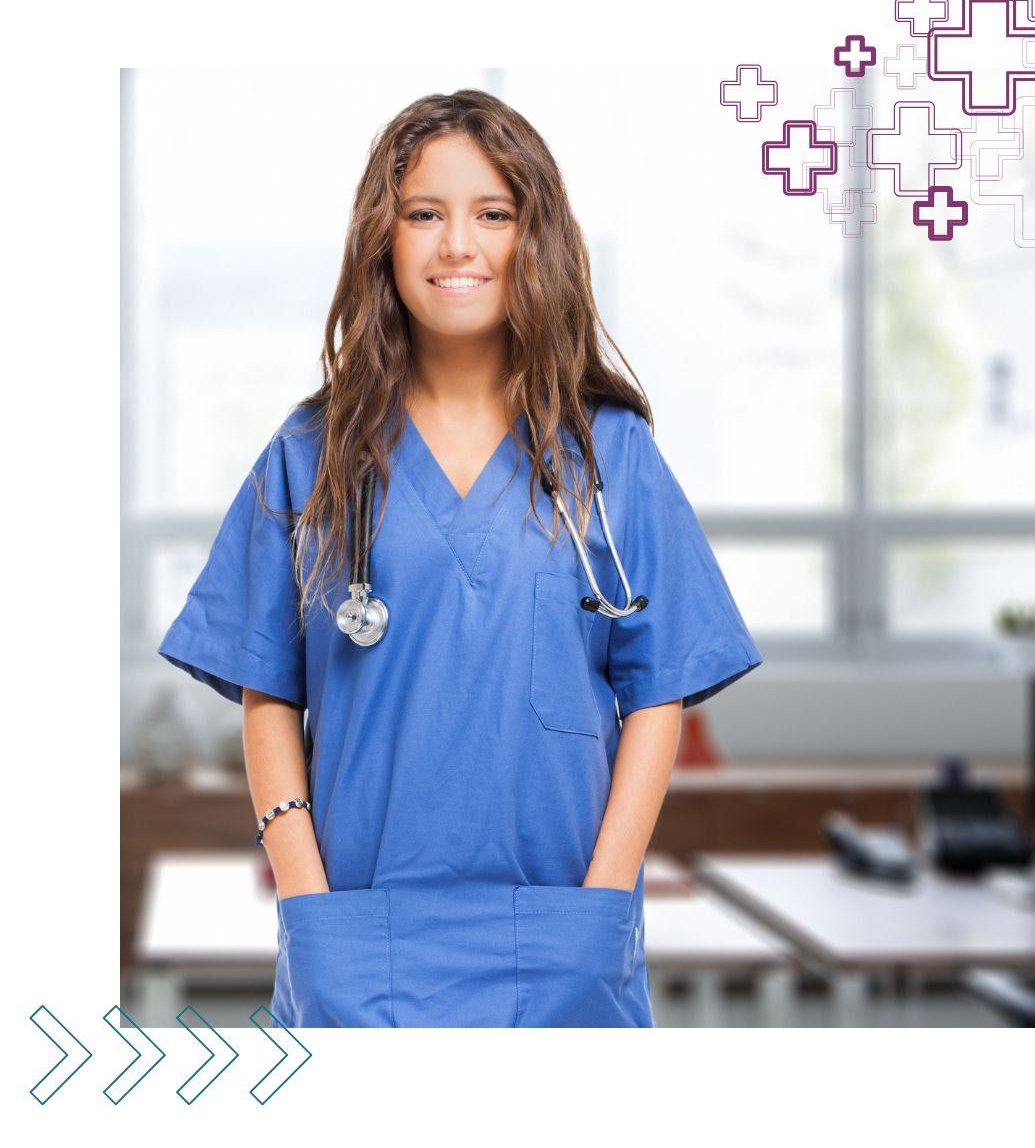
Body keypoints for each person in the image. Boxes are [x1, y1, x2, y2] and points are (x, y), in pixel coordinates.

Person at [159, 89, 762, 1028]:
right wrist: (306, 900)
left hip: (565, 937)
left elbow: (657, 695)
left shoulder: (610, 455)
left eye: (493, 214)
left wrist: (605, 900)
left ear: (535, 238)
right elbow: (266, 687)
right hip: (358, 939)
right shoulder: (311, 454)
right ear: (383, 238)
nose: (456, 246)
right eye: (423, 215)